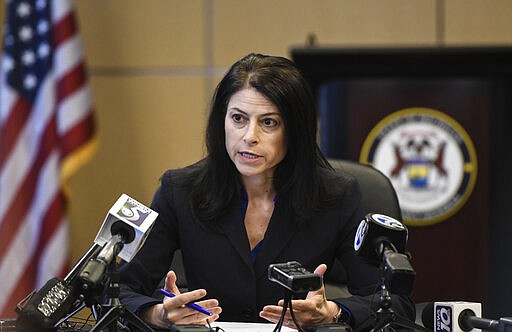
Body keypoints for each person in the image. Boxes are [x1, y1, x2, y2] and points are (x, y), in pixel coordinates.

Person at [118, 53, 416, 330]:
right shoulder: (179, 191)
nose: (249, 137)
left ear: (295, 131)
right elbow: (118, 292)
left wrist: (333, 312)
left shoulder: (337, 196)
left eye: (268, 122)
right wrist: (158, 314)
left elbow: (395, 303)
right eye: (238, 118)